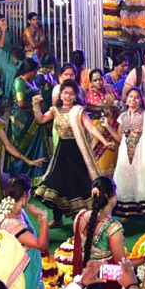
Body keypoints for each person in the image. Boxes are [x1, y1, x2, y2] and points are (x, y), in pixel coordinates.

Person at [31, 80, 106, 220]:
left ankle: (81, 218)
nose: (68, 97)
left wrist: (105, 142)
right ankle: (57, 218)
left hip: (77, 151)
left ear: (76, 96)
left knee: (78, 183)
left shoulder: (78, 111)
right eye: (65, 93)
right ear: (60, 95)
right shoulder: (55, 110)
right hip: (61, 151)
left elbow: (91, 128)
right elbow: (40, 120)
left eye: (71, 94)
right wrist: (35, 105)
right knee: (58, 183)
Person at [110, 87, 145, 218]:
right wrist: (107, 126)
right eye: (130, 97)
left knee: (143, 176)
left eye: (136, 97)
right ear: (126, 99)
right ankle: (126, 212)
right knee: (124, 177)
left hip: (142, 152)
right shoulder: (122, 116)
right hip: (125, 153)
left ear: (141, 100)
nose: (133, 100)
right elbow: (120, 138)